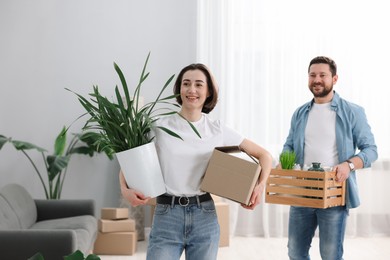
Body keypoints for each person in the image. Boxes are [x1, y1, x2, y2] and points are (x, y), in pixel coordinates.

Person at [120, 63, 273, 260]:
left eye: (199, 84)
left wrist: (259, 186)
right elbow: (130, 162)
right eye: (186, 84)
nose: (192, 90)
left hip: (204, 215)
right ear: (179, 89)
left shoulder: (217, 129)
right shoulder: (159, 126)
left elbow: (265, 156)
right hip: (167, 214)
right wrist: (125, 190)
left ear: (208, 92)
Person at [282, 56, 378, 260]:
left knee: (330, 254)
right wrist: (285, 161)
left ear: (335, 79)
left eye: (322, 75)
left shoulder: (352, 111)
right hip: (302, 193)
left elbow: (371, 150)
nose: (317, 79)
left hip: (334, 194)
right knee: (295, 252)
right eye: (312, 75)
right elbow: (289, 145)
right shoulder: (300, 113)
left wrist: (349, 165)